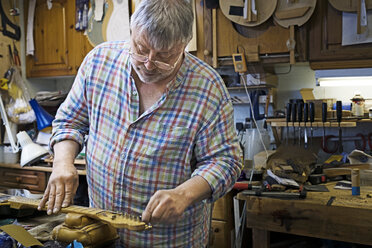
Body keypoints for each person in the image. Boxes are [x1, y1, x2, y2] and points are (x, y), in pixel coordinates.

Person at [38, 0, 242, 247]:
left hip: (169, 240)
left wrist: (185, 194)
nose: (148, 64)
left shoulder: (207, 87)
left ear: (184, 44)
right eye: (141, 49)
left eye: (164, 55)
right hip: (101, 235)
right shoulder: (98, 63)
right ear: (132, 31)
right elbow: (70, 121)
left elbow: (225, 161)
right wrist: (62, 162)